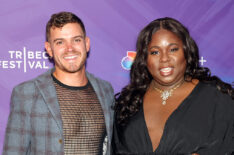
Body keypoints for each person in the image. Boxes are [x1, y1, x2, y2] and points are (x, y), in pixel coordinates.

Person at [112, 17, 234, 154]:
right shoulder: (128, 103)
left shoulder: (217, 99)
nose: (164, 58)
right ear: (145, 59)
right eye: (155, 52)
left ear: (187, 52)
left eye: (173, 49)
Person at [3, 11, 114, 155]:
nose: (70, 48)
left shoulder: (106, 91)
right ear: (49, 49)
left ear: (87, 44)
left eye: (76, 40)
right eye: (60, 42)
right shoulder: (27, 93)